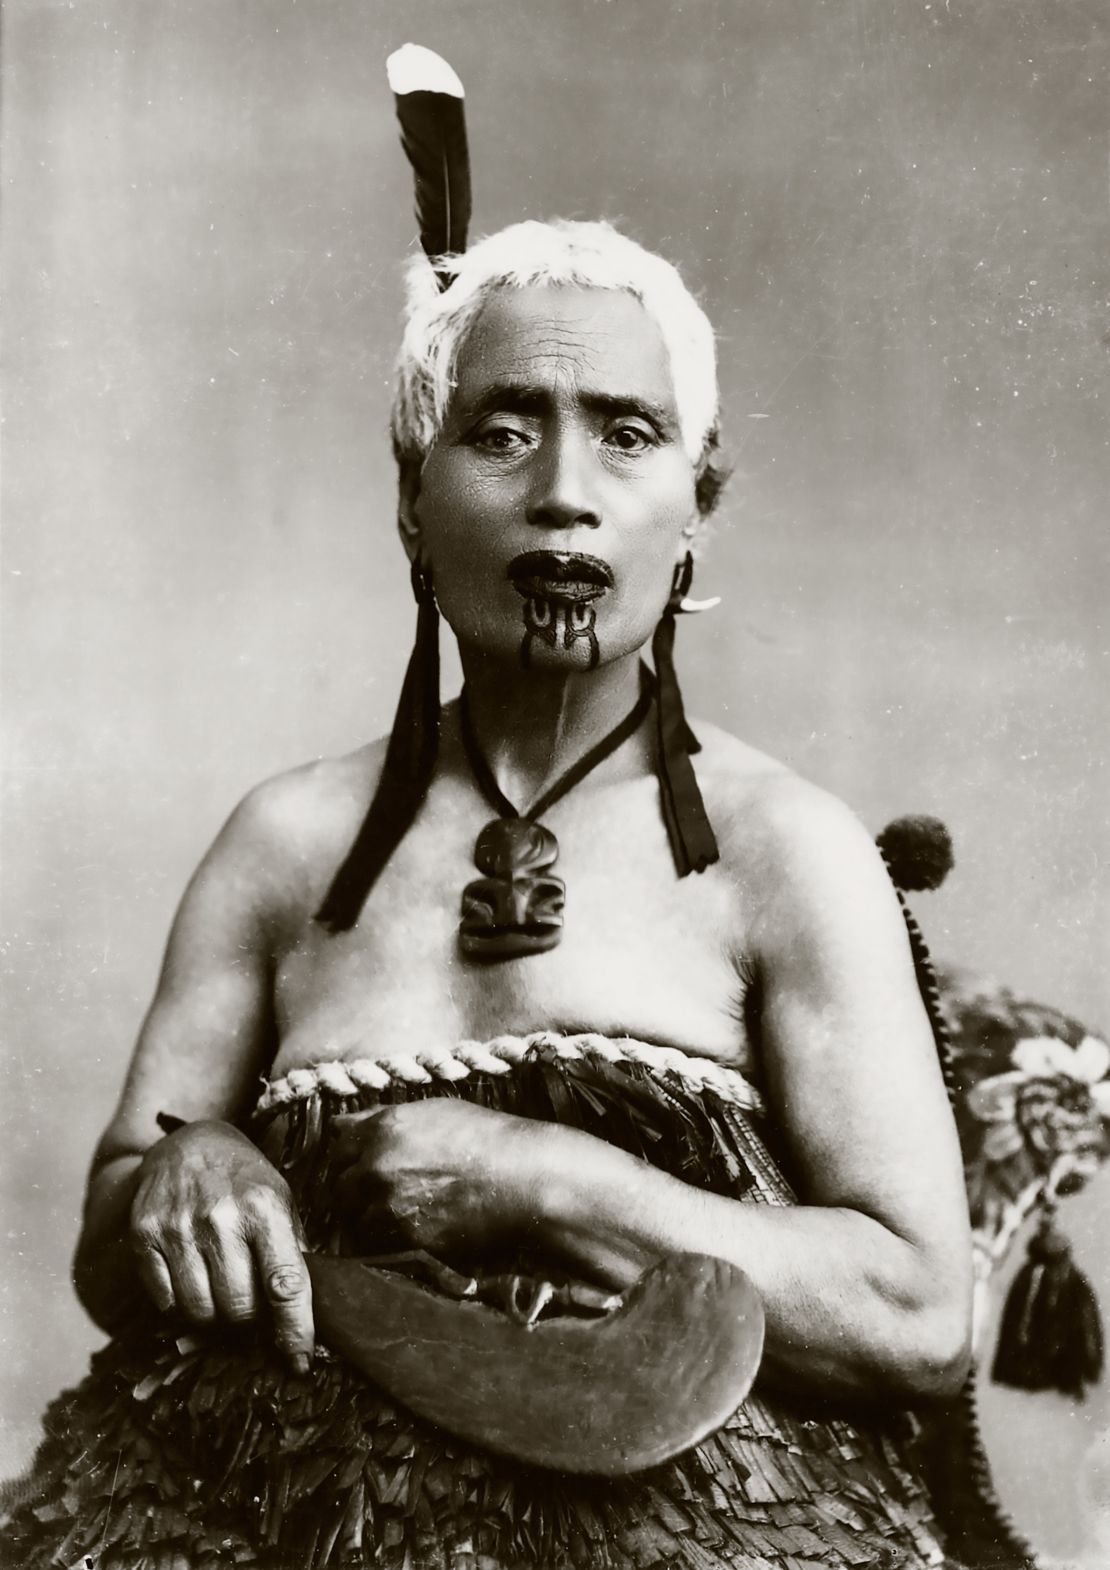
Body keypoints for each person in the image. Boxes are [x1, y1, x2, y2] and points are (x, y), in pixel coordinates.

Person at [1, 220, 974, 1570]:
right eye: (504, 431)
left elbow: (919, 1314)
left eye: (626, 434)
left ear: (700, 498)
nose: (563, 490)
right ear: (412, 490)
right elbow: (113, 1248)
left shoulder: (785, 853)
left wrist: (540, 1175)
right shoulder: (284, 843)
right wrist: (186, 1165)